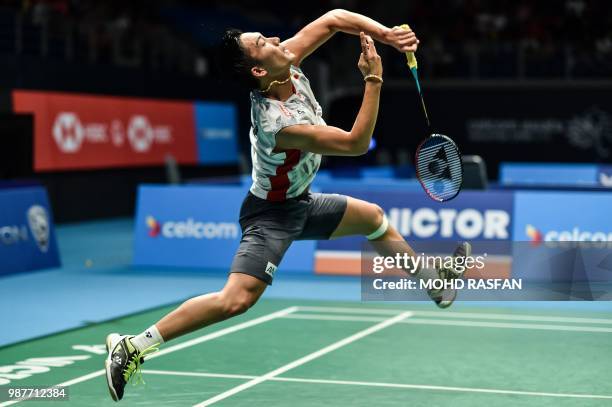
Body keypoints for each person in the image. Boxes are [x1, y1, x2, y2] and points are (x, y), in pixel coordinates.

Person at [104, 9, 470, 402]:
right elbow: (354, 144)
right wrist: (373, 78)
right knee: (236, 300)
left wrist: (387, 36)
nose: (277, 41)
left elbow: (332, 19)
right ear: (259, 72)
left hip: (301, 201)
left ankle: (433, 283)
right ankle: (133, 346)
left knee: (373, 219)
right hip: (270, 214)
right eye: (263, 44)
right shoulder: (277, 123)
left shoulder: (285, 62)